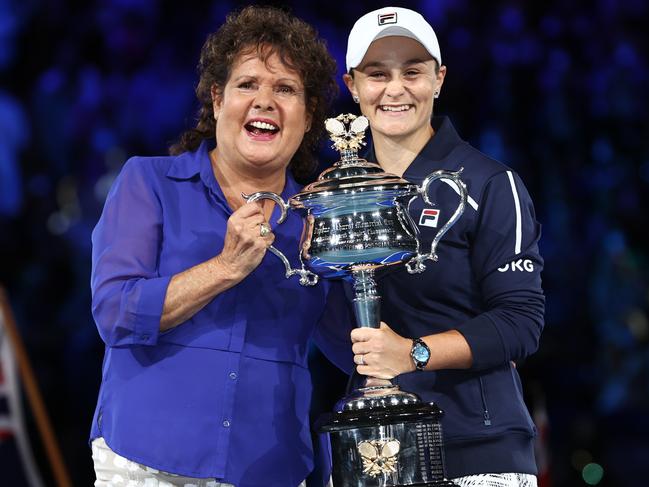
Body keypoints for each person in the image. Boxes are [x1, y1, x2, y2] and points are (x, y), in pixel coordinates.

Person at [89, 6, 350, 487]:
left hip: (269, 469)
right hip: (145, 463)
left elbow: (348, 349)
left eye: (285, 89)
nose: (264, 101)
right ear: (216, 99)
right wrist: (225, 267)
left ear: (309, 114)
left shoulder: (316, 219)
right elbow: (115, 313)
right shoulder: (149, 183)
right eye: (247, 84)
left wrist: (343, 266)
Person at [342, 7, 545, 487]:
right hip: (373, 450)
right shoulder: (336, 196)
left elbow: (521, 322)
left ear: (439, 79)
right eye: (377, 74)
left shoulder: (491, 183)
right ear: (353, 86)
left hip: (478, 451)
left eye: (412, 72)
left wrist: (412, 353)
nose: (395, 89)